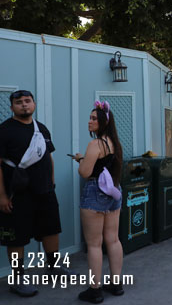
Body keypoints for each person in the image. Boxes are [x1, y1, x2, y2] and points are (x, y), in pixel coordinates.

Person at [0, 90, 73, 298]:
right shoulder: (4, 131)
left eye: (27, 101)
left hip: (44, 191)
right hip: (17, 194)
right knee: (17, 238)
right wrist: (2, 196)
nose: (24, 105)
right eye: (19, 102)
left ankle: (53, 268)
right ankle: (17, 280)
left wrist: (51, 181)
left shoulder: (40, 128)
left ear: (34, 103)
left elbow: (47, 156)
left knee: (51, 229)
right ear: (12, 106)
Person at [73, 101, 125, 303]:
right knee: (113, 240)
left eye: (94, 118)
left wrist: (81, 162)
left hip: (95, 193)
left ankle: (95, 290)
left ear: (103, 122)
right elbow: (102, 165)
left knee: (94, 244)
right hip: (113, 192)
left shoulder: (95, 144)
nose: (90, 121)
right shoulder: (114, 143)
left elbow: (86, 172)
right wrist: (85, 159)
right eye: (90, 117)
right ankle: (116, 284)